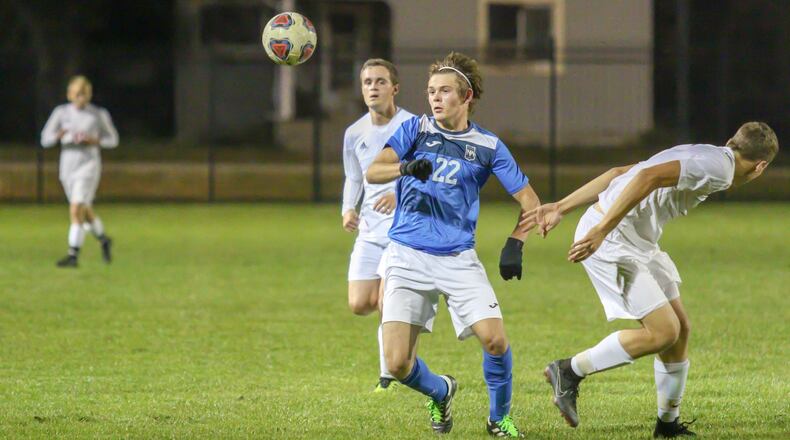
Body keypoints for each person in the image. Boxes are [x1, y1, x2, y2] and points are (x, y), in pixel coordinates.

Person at [521, 122, 779, 438]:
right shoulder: (720, 170)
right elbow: (646, 177)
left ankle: (667, 424)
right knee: (664, 332)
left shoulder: (707, 153)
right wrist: (601, 230)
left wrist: (561, 206)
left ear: (731, 142)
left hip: (638, 241)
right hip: (614, 240)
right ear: (761, 166)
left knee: (680, 329)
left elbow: (620, 173)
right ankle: (568, 371)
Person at [367, 52, 540, 437]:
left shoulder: (489, 146)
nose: (435, 98)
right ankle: (441, 390)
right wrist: (405, 167)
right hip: (406, 255)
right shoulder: (415, 129)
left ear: (467, 96)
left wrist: (517, 241)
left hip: (458, 258)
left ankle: (499, 419)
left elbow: (531, 202)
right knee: (397, 364)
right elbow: (374, 170)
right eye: (431, 91)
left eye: (445, 91)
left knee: (495, 341)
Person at [341, 58, 415, 392]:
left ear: (394, 88)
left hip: (404, 230)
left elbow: (429, 172)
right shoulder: (354, 133)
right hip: (369, 232)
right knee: (359, 304)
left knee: (388, 302)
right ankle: (407, 318)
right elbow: (354, 176)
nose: (373, 87)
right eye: (367, 82)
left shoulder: (413, 126)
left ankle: (388, 375)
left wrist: (400, 197)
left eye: (380, 81)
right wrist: (348, 209)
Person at [41, 75, 118, 268]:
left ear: (89, 95)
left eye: (84, 94)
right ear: (69, 94)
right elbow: (45, 139)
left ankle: (73, 255)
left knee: (76, 209)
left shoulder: (98, 114)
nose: (80, 98)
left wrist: (94, 141)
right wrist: (59, 135)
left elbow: (113, 140)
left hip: (88, 164)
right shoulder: (61, 112)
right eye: (77, 93)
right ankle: (103, 239)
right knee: (84, 210)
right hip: (67, 164)